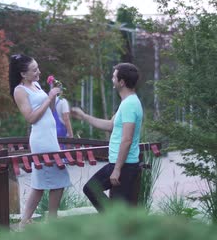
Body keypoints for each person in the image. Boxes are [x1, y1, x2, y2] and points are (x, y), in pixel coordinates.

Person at [8, 54, 72, 228]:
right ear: (23, 73)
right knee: (56, 178)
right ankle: (43, 220)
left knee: (43, 181)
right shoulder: (20, 90)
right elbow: (31, 118)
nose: (38, 72)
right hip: (41, 140)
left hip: (50, 137)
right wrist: (49, 97)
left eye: (38, 68)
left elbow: (48, 110)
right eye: (34, 70)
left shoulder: (35, 85)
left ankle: (28, 220)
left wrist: (54, 95)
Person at [70, 63, 143, 212]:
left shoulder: (130, 104)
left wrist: (117, 169)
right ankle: (114, 222)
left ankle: (114, 222)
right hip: (120, 163)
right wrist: (84, 116)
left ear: (121, 82)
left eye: (114, 77)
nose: (112, 79)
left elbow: (127, 139)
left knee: (92, 189)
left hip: (124, 165)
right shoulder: (127, 102)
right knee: (94, 191)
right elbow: (110, 125)